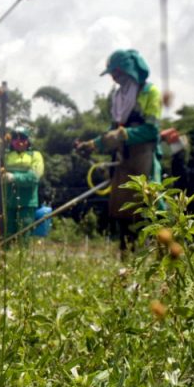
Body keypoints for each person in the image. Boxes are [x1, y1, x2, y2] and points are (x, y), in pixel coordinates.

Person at [75, 49, 161, 257]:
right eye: (112, 74)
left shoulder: (150, 92)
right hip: (123, 161)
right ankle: (126, 259)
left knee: (149, 205)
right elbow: (112, 132)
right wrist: (93, 145)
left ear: (127, 70)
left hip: (143, 159)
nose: (113, 78)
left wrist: (125, 134)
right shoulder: (119, 97)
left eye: (116, 72)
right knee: (123, 209)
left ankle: (159, 255)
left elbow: (152, 130)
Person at [1, 127, 44, 243]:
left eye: (23, 138)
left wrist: (14, 177)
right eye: (15, 137)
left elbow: (34, 177)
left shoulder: (35, 155)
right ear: (11, 141)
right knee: (7, 235)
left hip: (27, 202)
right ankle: (6, 254)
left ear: (28, 140)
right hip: (8, 202)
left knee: (23, 235)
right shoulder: (5, 156)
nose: (18, 141)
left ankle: (22, 254)